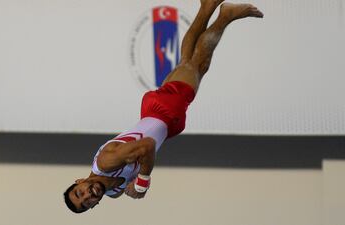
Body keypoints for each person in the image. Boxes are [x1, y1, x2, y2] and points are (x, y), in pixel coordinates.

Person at [64, 0, 263, 213]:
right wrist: (138, 178)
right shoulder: (115, 191)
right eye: (86, 202)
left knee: (198, 64)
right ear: (93, 206)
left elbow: (148, 145)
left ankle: (225, 16)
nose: (87, 196)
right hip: (157, 115)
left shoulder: (106, 162)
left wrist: (143, 180)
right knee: (187, 62)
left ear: (79, 181)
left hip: (164, 112)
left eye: (79, 192)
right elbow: (141, 153)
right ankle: (207, 6)